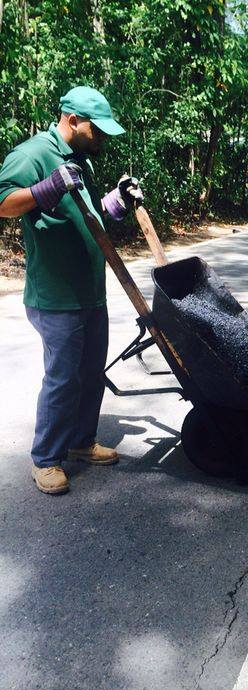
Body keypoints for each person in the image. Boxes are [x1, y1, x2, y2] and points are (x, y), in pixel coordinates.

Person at [0, 86, 142, 495]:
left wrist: (118, 199)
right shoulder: (33, 154)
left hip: (89, 291)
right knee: (63, 378)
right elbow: (4, 201)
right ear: (73, 120)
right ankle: (45, 458)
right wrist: (44, 189)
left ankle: (80, 442)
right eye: (97, 131)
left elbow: (89, 213)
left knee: (89, 372)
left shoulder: (81, 160)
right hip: (55, 294)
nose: (101, 139)